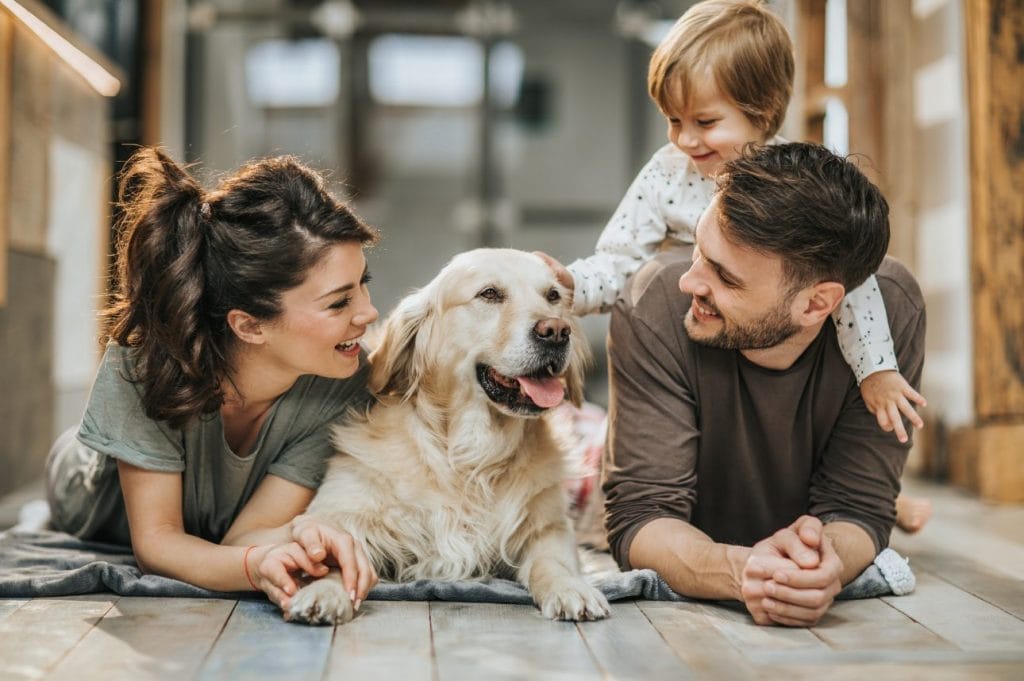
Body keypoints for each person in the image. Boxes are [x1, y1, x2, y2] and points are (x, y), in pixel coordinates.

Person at [540, 0, 931, 531]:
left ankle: (881, 498)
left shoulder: (795, 189)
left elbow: (851, 279)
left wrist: (877, 369)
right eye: (673, 121)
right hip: (706, 353)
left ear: (763, 111)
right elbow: (618, 260)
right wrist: (568, 286)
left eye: (704, 121)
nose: (684, 139)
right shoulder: (668, 175)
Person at [603, 141, 926, 627]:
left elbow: (858, 507)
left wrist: (825, 565)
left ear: (817, 305)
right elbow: (641, 515)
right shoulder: (655, 304)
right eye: (698, 250)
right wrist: (742, 570)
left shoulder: (894, 313)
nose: (690, 283)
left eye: (725, 278)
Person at [45, 148, 380, 611]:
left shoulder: (343, 382)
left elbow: (242, 539)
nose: (369, 312)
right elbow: (157, 544)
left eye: (365, 282)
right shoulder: (142, 366)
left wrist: (301, 534)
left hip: (216, 516)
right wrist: (254, 565)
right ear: (250, 325)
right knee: (69, 466)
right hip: (89, 492)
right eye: (339, 303)